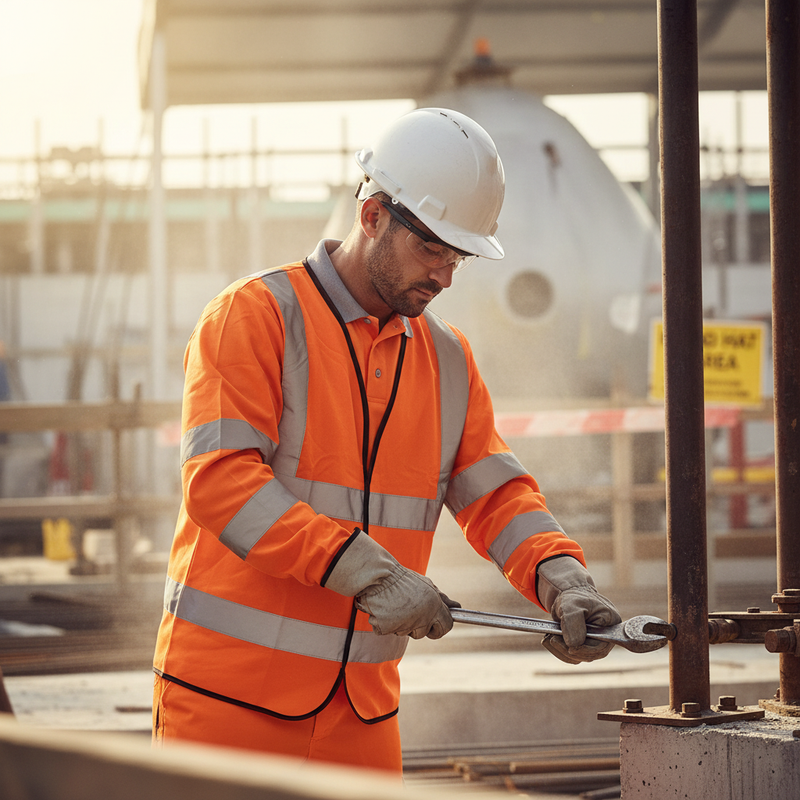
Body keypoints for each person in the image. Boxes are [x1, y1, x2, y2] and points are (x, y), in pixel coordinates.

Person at [152, 107, 621, 774]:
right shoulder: (254, 318)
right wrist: (370, 571)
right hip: (227, 707)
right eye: (432, 248)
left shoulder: (448, 361)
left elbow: (500, 498)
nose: (445, 275)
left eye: (457, 255)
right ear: (372, 215)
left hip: (362, 716)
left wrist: (562, 581)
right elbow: (223, 485)